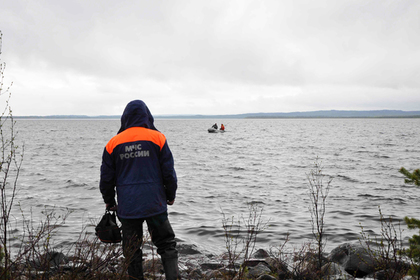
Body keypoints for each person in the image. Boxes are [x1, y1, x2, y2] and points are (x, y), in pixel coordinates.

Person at [99, 100, 180, 280]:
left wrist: (109, 201)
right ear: (147, 116)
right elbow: (169, 172)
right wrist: (171, 195)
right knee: (167, 245)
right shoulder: (158, 138)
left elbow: (106, 178)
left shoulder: (113, 143)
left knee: (132, 250)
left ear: (125, 118)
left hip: (128, 207)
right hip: (155, 203)